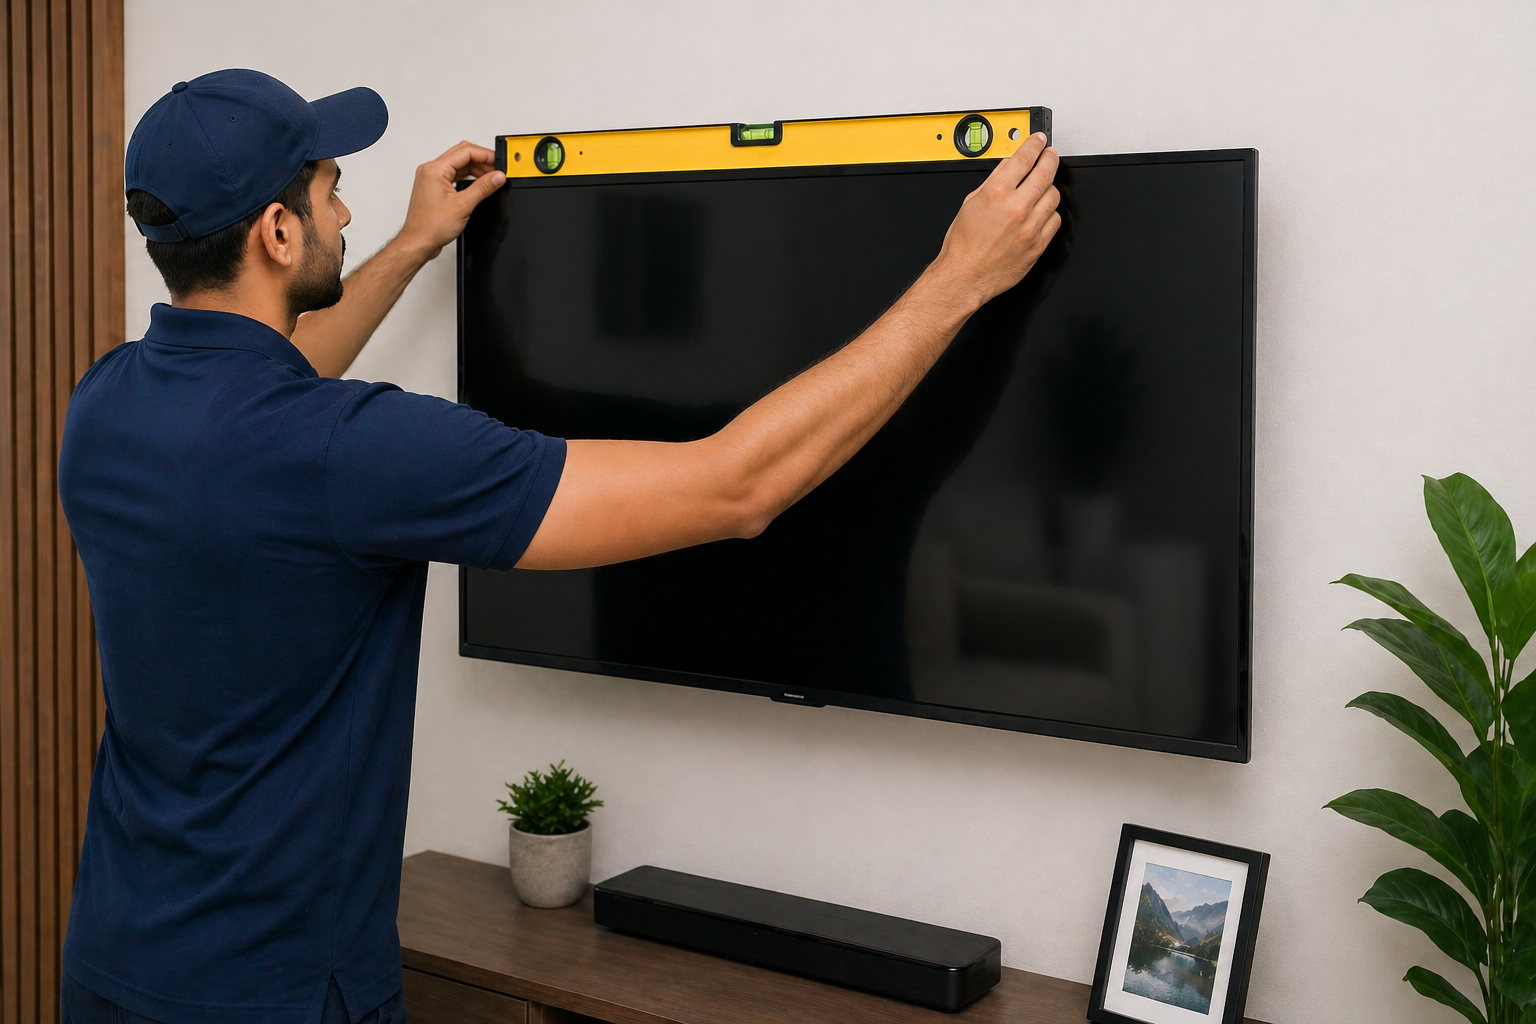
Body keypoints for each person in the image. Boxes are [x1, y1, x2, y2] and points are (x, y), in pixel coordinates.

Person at [57, 70, 1059, 1024]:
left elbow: (266, 383)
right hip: (278, 992)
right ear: (278, 233)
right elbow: (737, 487)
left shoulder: (107, 405)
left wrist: (412, 245)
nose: (346, 215)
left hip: (115, 963)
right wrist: (960, 276)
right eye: (330, 194)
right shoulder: (354, 452)